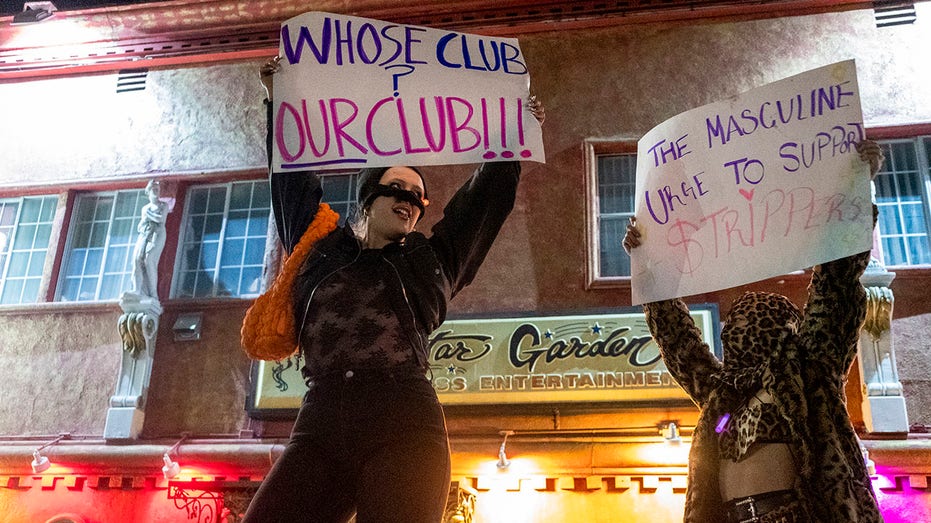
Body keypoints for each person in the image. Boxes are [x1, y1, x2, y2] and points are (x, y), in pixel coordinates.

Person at [240, 56, 543, 523]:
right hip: (321, 418)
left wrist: (513, 135)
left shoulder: (430, 262)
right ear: (367, 196)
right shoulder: (316, 246)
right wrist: (281, 97)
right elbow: (291, 180)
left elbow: (481, 205)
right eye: (397, 187)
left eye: (419, 196)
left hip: (404, 422)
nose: (411, 200)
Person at [622, 140, 885, 523]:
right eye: (736, 325)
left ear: (788, 329)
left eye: (750, 323)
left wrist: (858, 187)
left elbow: (835, 285)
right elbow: (677, 338)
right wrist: (648, 260)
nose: (742, 331)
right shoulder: (720, 392)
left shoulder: (808, 369)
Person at [130, 179, 168, 300]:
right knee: (137, 259)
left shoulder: (163, 205)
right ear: (149, 192)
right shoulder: (145, 208)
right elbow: (140, 225)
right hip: (146, 234)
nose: (156, 192)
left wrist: (148, 216)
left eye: (158, 189)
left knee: (149, 259)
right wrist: (145, 220)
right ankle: (138, 289)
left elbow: (161, 219)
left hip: (158, 233)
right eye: (154, 189)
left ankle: (153, 293)